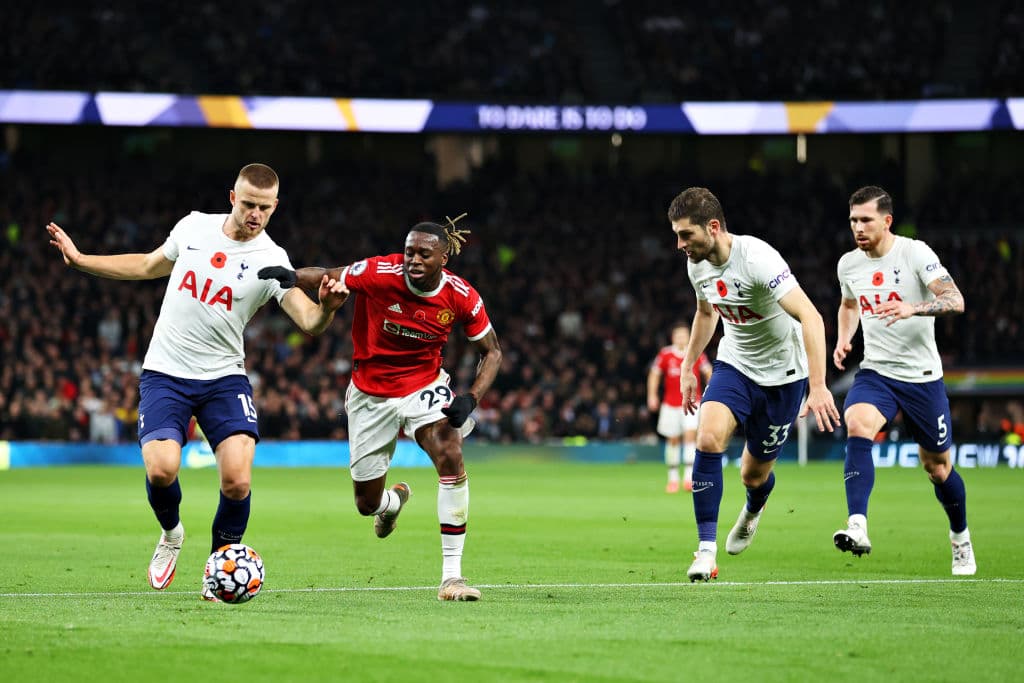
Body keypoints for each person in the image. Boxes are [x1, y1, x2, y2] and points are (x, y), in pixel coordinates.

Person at [47, 163, 349, 600]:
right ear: (232, 197)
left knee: (237, 480)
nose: (255, 214)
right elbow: (147, 265)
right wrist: (80, 260)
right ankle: (171, 533)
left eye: (264, 208)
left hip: (225, 378)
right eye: (248, 204)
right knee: (162, 468)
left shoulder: (272, 259)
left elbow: (308, 320)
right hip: (166, 371)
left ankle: (220, 567)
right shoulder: (193, 228)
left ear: (275, 207)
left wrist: (328, 309)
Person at [259, 215, 502, 601]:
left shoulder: (461, 296)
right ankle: (392, 501)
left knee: (450, 453)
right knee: (366, 503)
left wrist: (471, 398)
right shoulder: (379, 271)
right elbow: (330, 274)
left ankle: (451, 578)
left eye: (424, 253)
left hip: (424, 385)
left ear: (443, 259)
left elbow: (492, 352)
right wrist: (291, 275)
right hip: (370, 393)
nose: (414, 259)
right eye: (409, 252)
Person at [667, 187, 841, 582]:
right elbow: (706, 311)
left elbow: (811, 317)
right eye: (676, 235)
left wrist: (818, 386)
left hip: (783, 376)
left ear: (713, 227)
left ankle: (753, 508)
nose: (679, 244)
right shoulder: (697, 265)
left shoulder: (758, 259)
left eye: (685, 235)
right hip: (735, 365)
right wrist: (689, 364)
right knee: (708, 438)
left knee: (753, 475)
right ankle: (706, 552)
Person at [832, 186, 975, 575]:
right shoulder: (849, 264)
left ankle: (960, 537)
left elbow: (955, 300)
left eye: (865, 220)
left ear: (887, 221)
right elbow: (848, 304)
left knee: (938, 468)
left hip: (922, 379)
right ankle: (857, 525)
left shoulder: (915, 253)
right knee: (858, 424)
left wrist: (914, 306)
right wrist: (845, 337)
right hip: (877, 371)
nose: (858, 228)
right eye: (853, 221)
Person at [646, 322, 712, 493]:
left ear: (689, 336)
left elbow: (708, 372)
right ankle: (673, 479)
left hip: (692, 402)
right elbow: (654, 375)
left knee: (690, 437)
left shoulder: (696, 352)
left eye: (684, 335)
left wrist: (711, 393)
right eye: (678, 336)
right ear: (673, 337)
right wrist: (652, 395)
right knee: (673, 439)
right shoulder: (665, 354)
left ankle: (689, 478)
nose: (681, 338)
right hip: (670, 403)